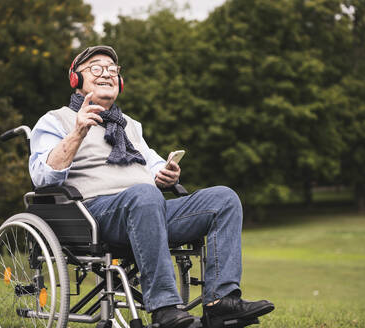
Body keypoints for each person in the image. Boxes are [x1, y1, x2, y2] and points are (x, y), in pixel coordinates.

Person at [29, 45, 274, 328]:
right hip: (94, 216)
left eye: (112, 70)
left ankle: (221, 302)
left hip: (147, 210)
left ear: (119, 81)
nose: (106, 73)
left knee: (223, 198)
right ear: (76, 79)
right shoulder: (56, 120)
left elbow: (152, 164)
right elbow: (42, 178)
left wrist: (165, 174)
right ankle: (165, 308)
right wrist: (78, 132)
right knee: (144, 195)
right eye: (96, 68)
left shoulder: (129, 125)